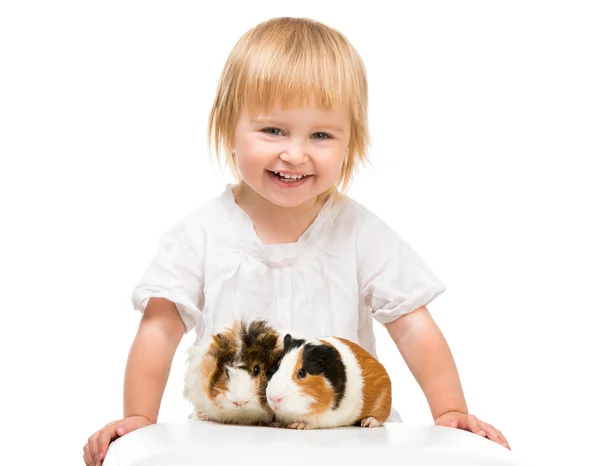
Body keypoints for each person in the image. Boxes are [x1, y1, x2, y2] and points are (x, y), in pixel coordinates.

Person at [83, 16, 510, 466]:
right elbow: (160, 327)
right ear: (230, 127)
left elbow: (413, 323)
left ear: (351, 142)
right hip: (228, 442)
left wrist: (450, 412)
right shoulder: (201, 233)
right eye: (273, 130)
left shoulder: (359, 232)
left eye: (321, 135)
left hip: (344, 441)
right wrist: (138, 421)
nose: (295, 153)